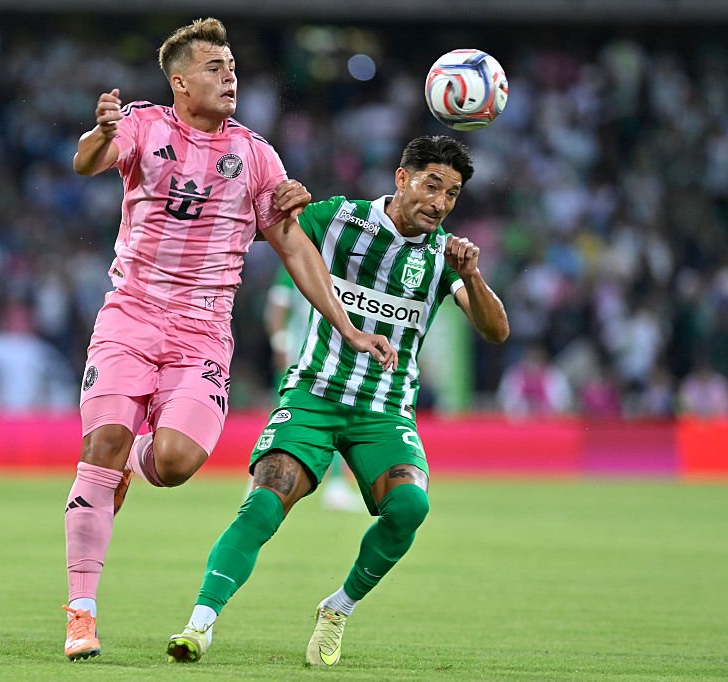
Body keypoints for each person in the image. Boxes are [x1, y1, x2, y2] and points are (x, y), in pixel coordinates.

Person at [61, 17, 395, 661]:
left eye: (233, 67)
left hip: (203, 332)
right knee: (99, 445)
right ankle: (82, 612)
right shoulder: (142, 125)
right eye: (214, 68)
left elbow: (293, 246)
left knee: (176, 463)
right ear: (180, 82)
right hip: (130, 317)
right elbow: (88, 161)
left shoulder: (257, 155)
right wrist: (99, 132)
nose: (230, 77)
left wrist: (347, 325)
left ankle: (132, 461)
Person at [166, 136, 509, 666]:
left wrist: (473, 276)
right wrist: (278, 199)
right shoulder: (341, 219)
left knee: (410, 507)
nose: (440, 202)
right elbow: (259, 227)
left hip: (384, 410)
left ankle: (338, 608)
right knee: (264, 502)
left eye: (452, 193)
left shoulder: (446, 257)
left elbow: (496, 330)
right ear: (401, 178)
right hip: (315, 393)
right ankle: (199, 624)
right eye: (432, 185)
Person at [266, 266, 363, 512]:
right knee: (286, 418)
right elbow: (276, 308)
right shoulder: (296, 263)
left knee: (336, 416)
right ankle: (264, 475)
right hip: (298, 357)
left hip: (331, 360)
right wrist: (280, 344)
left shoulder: (341, 266)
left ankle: (336, 485)